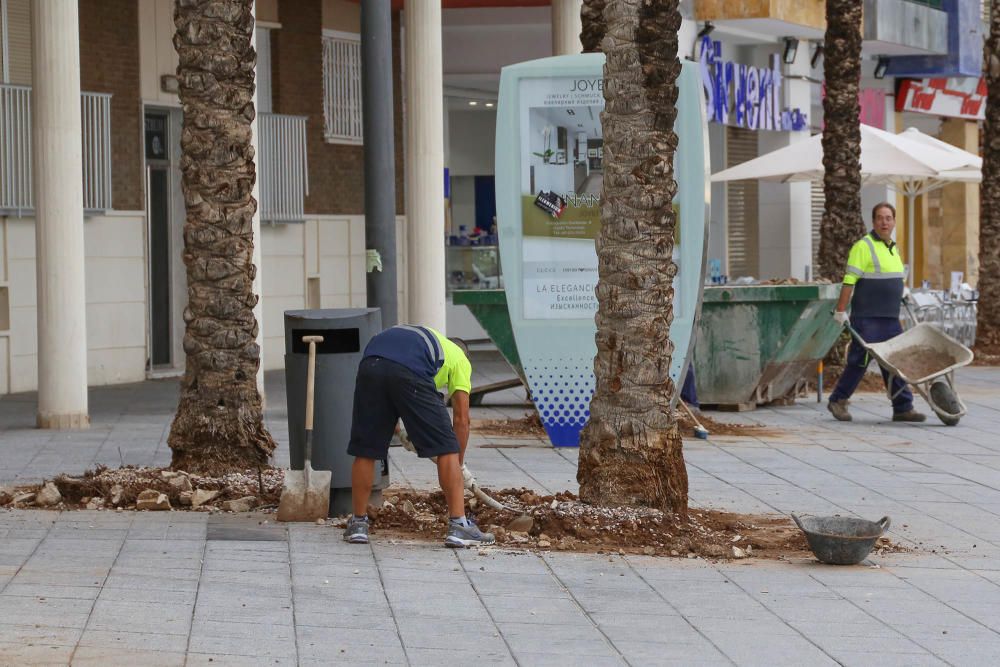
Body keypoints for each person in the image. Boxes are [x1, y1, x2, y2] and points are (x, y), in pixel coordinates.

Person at [343, 324, 495, 548]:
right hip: (409, 368)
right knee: (447, 448)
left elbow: (391, 388)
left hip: (371, 362)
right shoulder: (460, 359)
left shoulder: (426, 341)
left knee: (366, 449)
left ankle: (358, 524)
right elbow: (462, 419)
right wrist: (458, 463)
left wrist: (399, 430)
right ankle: (459, 525)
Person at [828, 202, 926, 423]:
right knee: (859, 361)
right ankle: (838, 400)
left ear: (893, 222)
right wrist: (840, 310)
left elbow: (894, 278)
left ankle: (903, 407)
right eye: (880, 218)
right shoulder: (863, 247)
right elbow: (848, 282)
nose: (885, 222)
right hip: (867, 318)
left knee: (895, 360)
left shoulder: (893, 248)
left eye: (889, 218)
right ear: (873, 222)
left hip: (890, 317)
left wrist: (904, 290)